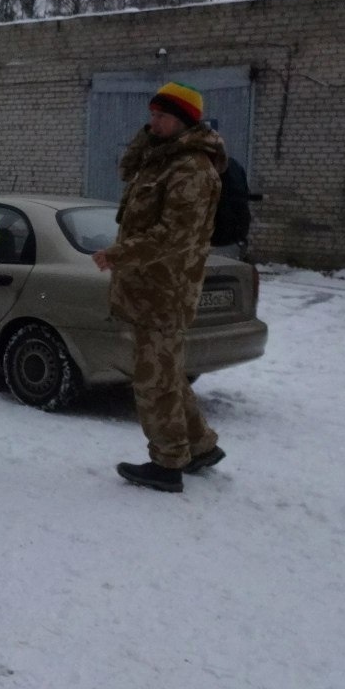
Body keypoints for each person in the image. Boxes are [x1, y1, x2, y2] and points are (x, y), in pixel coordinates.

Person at [93, 81, 228, 494]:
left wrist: (118, 254)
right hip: (147, 288)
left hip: (164, 291)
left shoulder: (190, 169)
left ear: (185, 121)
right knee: (165, 372)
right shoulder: (160, 158)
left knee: (153, 378)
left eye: (163, 116)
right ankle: (199, 446)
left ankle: (167, 464)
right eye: (151, 114)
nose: (154, 122)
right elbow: (125, 168)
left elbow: (175, 236)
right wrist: (148, 134)